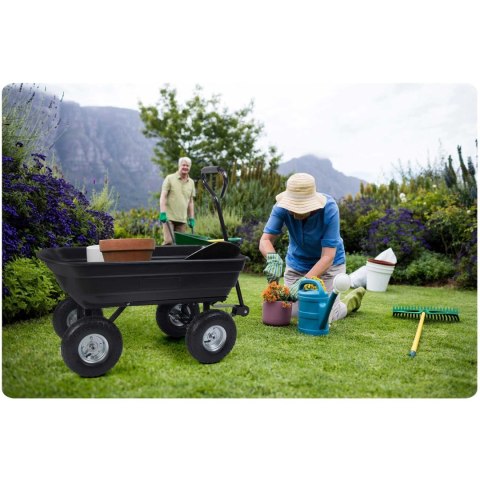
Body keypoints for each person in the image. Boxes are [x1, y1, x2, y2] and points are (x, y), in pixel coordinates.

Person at [259, 172, 366, 322]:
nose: (294, 213)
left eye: (300, 207)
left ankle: (349, 302)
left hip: (329, 267)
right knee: (290, 311)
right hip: (297, 265)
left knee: (324, 316)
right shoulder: (281, 207)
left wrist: (305, 281)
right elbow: (265, 240)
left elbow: (328, 256)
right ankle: (330, 304)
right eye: (293, 207)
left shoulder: (329, 209)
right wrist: (272, 258)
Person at [159, 157, 196, 245]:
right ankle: (161, 254)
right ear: (179, 166)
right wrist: (162, 213)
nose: (185, 167)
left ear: (190, 167)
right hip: (169, 218)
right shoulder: (170, 178)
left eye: (187, 166)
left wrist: (191, 218)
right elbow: (163, 196)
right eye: (183, 165)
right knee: (169, 241)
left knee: (180, 244)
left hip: (182, 219)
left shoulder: (191, 182)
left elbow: (191, 202)